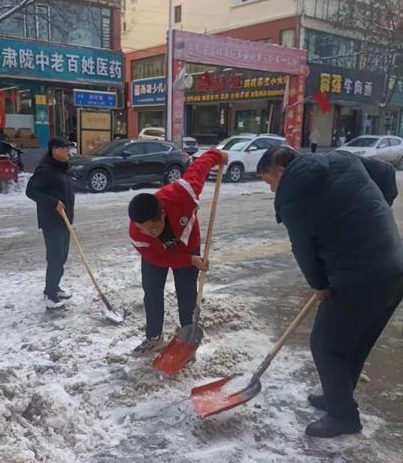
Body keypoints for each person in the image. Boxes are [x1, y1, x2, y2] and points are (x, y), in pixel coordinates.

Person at [257, 146, 403, 438]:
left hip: (357, 278)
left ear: (282, 171)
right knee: (356, 339)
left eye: (269, 181)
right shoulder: (342, 157)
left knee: (325, 344)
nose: (271, 188)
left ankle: (344, 417)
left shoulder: (291, 197)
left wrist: (319, 284)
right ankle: (339, 396)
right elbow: (386, 174)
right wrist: (373, 217)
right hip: (395, 267)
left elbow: (304, 251)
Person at [128, 148, 228, 355]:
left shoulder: (182, 194)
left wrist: (217, 156)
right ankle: (154, 337)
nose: (148, 232)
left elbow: (198, 168)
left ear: (162, 214)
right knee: (152, 292)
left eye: (152, 228)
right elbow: (159, 257)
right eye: (142, 229)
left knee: (187, 294)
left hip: (186, 244)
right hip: (162, 257)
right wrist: (189, 260)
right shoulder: (137, 235)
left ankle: (187, 338)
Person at [26, 137, 75, 310]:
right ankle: (50, 295)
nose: (67, 152)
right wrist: (53, 202)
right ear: (55, 150)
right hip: (52, 222)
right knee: (55, 258)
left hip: (65, 221)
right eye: (64, 149)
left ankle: (55, 287)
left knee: (61, 257)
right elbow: (31, 191)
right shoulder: (45, 169)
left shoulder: (61, 168)